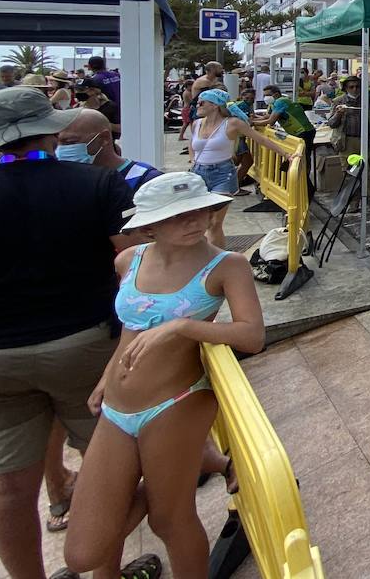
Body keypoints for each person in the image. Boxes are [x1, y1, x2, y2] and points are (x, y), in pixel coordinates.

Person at [0, 88, 156, 579]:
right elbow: (135, 267)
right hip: (86, 347)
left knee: (8, 488)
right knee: (112, 473)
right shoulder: (97, 185)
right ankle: (105, 571)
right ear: (53, 132)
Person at [64, 173, 264, 579]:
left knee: (169, 520)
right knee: (82, 553)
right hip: (118, 407)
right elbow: (130, 329)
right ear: (148, 225)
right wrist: (108, 374)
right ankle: (194, 471)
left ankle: (184, 476)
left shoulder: (227, 266)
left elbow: (251, 335)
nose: (193, 221)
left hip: (177, 400)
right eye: (177, 216)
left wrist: (183, 327)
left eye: (199, 210)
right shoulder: (129, 260)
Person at [191, 88, 292, 247]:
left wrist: (286, 154)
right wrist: (192, 161)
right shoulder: (196, 124)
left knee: (214, 223)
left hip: (223, 174)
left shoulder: (233, 123)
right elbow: (192, 146)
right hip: (198, 173)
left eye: (202, 102)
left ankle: (216, 261)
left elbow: (261, 140)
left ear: (215, 105)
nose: (198, 105)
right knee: (201, 221)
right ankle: (206, 254)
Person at [58, 109, 162, 191]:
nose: (60, 149)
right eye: (56, 143)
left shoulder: (147, 181)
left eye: (70, 142)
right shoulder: (65, 180)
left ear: (104, 138)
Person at [255, 84, 318, 199]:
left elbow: (271, 121)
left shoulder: (281, 101)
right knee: (295, 163)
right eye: (264, 95)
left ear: (276, 94)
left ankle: (307, 192)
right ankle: (301, 190)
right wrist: (254, 118)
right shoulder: (276, 103)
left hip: (303, 133)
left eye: (268, 95)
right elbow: (268, 116)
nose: (266, 98)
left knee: (300, 164)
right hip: (300, 133)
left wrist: (251, 123)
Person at [326, 75, 370, 200]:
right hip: (347, 140)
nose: (355, 89)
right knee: (351, 172)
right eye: (351, 87)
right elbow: (331, 124)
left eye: (357, 87)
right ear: (346, 88)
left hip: (364, 139)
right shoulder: (338, 101)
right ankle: (353, 201)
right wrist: (338, 114)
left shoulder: (366, 100)